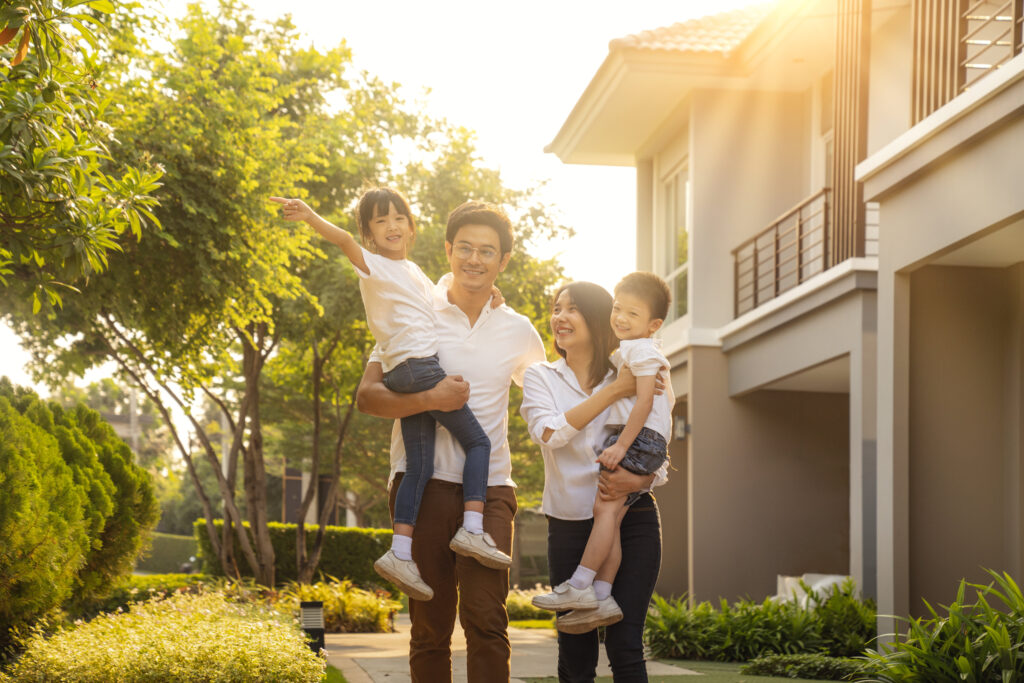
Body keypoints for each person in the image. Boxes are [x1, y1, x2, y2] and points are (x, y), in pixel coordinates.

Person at [269, 189, 511, 603]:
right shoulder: (374, 266)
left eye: (398, 218)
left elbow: (440, 298)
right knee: (478, 441)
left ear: (412, 228)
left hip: (406, 371)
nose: (392, 226)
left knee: (419, 464)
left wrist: (492, 296)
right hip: (417, 366)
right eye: (380, 222)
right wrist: (311, 216)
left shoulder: (415, 273)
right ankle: (472, 530)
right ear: (369, 233)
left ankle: (400, 553)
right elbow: (344, 241)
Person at [356, 200, 546, 683]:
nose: (474, 260)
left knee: (486, 619)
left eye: (488, 251)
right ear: (447, 249)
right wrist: (430, 397)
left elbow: (547, 396)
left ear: (503, 261)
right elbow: (369, 396)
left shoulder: (518, 329)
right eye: (465, 248)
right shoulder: (412, 308)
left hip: (492, 490)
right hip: (422, 488)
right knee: (429, 625)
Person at [520, 281, 666, 682]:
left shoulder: (635, 368)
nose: (559, 317)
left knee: (625, 644)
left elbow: (658, 441)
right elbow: (549, 434)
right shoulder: (541, 377)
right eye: (556, 308)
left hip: (633, 519)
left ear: (599, 319)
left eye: (572, 309)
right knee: (575, 651)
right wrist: (615, 391)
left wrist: (636, 483)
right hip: (569, 524)